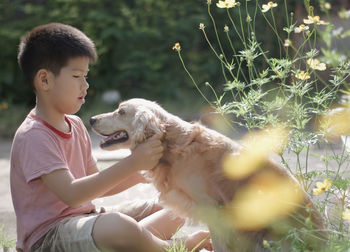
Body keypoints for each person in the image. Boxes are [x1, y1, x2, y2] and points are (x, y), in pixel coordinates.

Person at [10, 22, 212, 252]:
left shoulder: (74, 125)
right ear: (45, 80)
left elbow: (97, 183)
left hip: (86, 220)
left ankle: (139, 245)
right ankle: (179, 247)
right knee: (118, 226)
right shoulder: (34, 136)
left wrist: (140, 174)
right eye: (77, 76)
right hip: (48, 238)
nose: (85, 85)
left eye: (86, 76)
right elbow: (72, 194)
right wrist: (132, 163)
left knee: (174, 208)